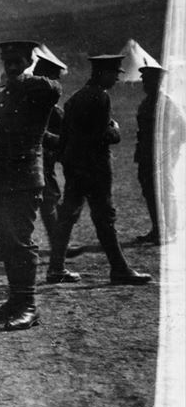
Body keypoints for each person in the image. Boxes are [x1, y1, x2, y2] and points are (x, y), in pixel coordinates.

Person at [46, 54, 152, 286]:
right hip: (95, 170)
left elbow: (65, 137)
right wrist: (115, 129)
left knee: (67, 216)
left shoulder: (75, 98)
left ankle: (55, 268)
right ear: (102, 73)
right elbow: (102, 136)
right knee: (104, 218)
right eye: (114, 73)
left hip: (75, 167)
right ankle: (119, 269)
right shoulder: (100, 97)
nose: (116, 79)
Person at [0, 40, 61, 330]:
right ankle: (15, 299)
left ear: (29, 60)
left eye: (17, 59)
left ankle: (28, 305)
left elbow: (53, 90)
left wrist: (23, 76)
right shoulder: (0, 95)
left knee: (20, 241)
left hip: (24, 180)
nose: (11, 63)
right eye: (7, 59)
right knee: (4, 240)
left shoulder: (39, 88)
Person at [31, 54, 85, 272]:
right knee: (48, 200)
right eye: (54, 78)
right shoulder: (38, 102)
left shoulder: (47, 103)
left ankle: (58, 245)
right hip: (38, 160)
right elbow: (39, 132)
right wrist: (61, 141)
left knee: (50, 200)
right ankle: (57, 247)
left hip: (46, 160)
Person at [135, 65, 184, 245]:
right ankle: (157, 229)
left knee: (166, 193)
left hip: (163, 156)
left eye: (148, 81)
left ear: (159, 82)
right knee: (149, 192)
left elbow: (183, 129)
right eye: (144, 81)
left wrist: (172, 150)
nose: (145, 84)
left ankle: (170, 231)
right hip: (146, 155)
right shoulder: (146, 102)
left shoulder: (168, 104)